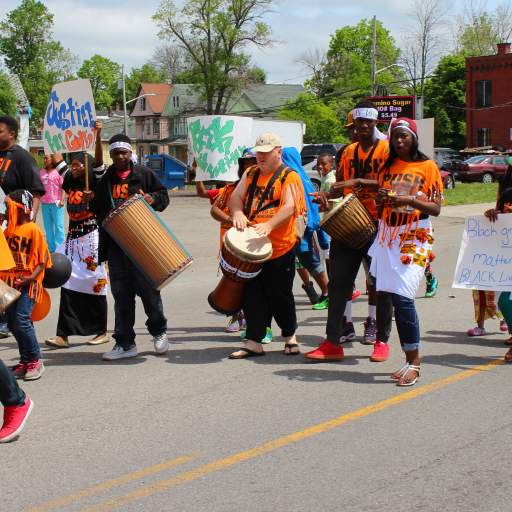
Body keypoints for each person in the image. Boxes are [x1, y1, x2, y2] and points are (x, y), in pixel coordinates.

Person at [305, 101, 389, 361]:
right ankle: (333, 342)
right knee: (339, 283)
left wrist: (361, 182)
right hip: (349, 222)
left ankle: (381, 341)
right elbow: (341, 185)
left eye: (368, 122)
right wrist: (326, 197)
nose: (363, 126)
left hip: (378, 224)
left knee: (381, 284)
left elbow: (393, 182)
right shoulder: (348, 151)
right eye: (359, 122)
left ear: (376, 123)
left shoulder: (387, 149)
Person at [370, 117, 443, 386]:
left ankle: (414, 362)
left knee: (402, 297)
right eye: (395, 136)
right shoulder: (387, 166)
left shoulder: (427, 166)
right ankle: (407, 359)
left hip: (415, 234)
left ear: (414, 138)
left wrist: (408, 199)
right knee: (386, 294)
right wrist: (382, 201)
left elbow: (435, 208)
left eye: (404, 136)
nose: (399, 141)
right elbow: (382, 200)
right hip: (388, 234)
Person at [228, 133, 306, 358]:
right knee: (252, 295)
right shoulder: (250, 173)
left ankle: (290, 335)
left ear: (278, 152)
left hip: (280, 247)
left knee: (280, 294)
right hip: (252, 248)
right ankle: (254, 341)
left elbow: (290, 206)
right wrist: (237, 212)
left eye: (265, 153)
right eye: (258, 153)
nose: (260, 157)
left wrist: (270, 225)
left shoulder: (289, 176)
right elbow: (236, 197)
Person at [93, 134, 170, 360]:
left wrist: (151, 198)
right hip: (116, 248)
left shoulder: (144, 174)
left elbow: (163, 197)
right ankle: (126, 344)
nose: (119, 156)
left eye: (123, 152)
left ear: (130, 153)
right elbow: (98, 208)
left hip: (142, 244)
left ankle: (159, 332)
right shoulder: (105, 179)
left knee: (150, 293)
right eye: (116, 152)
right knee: (122, 297)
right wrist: (91, 199)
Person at [45, 153, 109, 349]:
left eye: (78, 164)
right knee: (68, 282)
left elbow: (98, 163)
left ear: (87, 166)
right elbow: (57, 158)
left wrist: (97, 136)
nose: (73, 167)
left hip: (91, 240)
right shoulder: (69, 180)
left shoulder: (97, 181)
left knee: (94, 283)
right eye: (71, 164)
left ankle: (101, 331)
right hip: (73, 241)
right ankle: (63, 335)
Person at [0, 116, 46, 339]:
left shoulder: (22, 158)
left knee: (11, 271)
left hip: (13, 225)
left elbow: (36, 192)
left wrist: (29, 220)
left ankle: (9, 320)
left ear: (12, 134)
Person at [1, 190, 51, 380]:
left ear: (20, 208)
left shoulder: (33, 229)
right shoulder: (7, 231)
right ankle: (25, 360)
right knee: (13, 323)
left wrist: (31, 277)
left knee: (21, 320)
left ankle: (36, 361)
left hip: (29, 284)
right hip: (10, 285)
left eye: (8, 205)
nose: (5, 209)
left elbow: (43, 259)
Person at [281, 147, 330, 310]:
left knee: (308, 259)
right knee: (305, 260)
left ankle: (327, 291)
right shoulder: (304, 176)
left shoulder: (293, 178)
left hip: (299, 226)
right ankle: (322, 291)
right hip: (308, 224)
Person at [485, 187, 512, 361]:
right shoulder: (507, 194)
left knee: (506, 300)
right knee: (503, 301)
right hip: (506, 266)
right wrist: (489, 215)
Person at [39, 154, 65, 252]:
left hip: (57, 203)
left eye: (46, 158)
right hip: (45, 203)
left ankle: (60, 249)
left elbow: (64, 187)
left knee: (59, 226)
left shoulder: (58, 172)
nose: (45, 160)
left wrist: (62, 200)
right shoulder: (41, 173)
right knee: (48, 227)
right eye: (44, 158)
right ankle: (51, 249)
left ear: (52, 159)